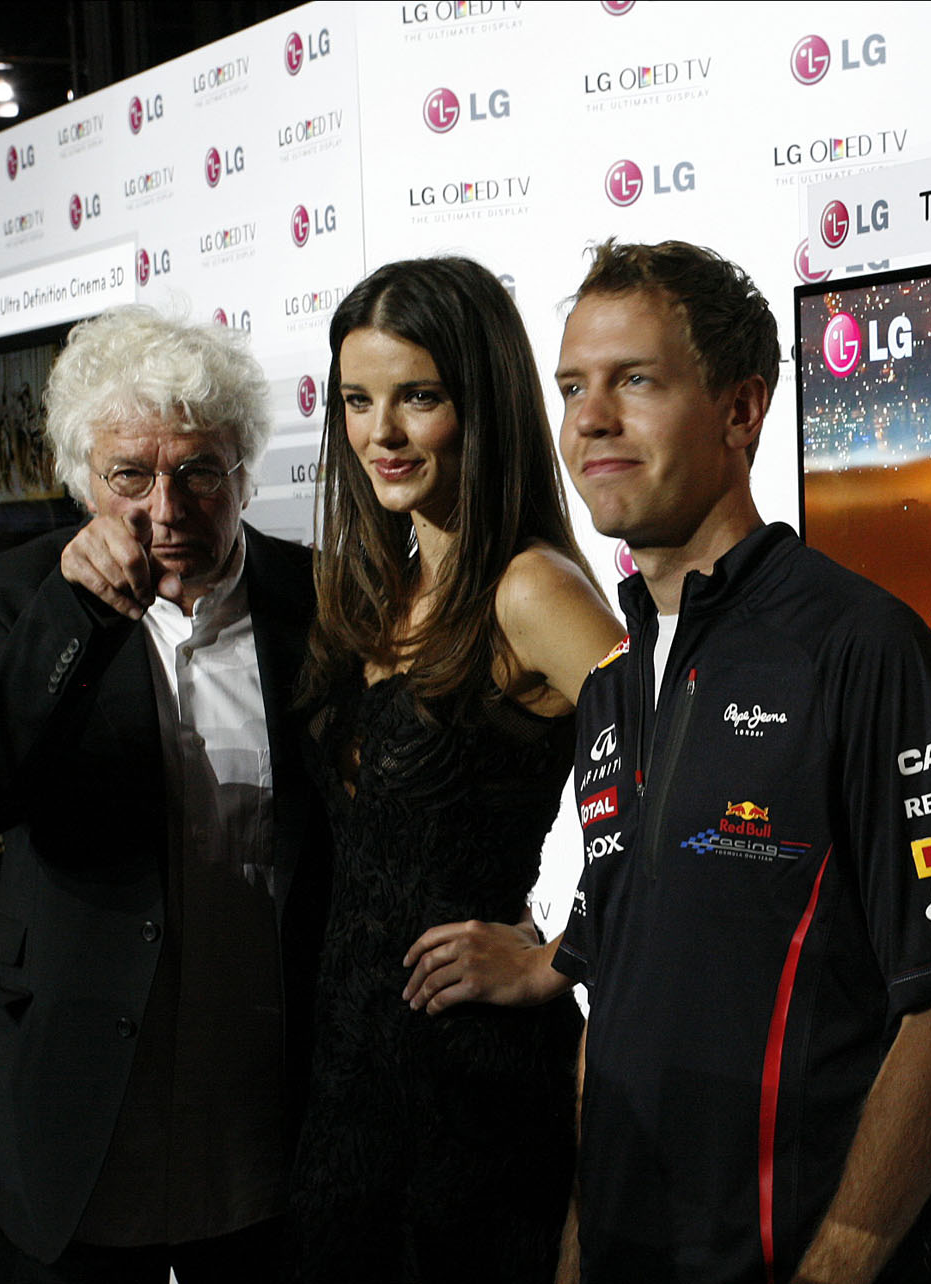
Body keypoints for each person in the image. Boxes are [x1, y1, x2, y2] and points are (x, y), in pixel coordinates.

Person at [542, 239, 931, 1283]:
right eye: (572, 385)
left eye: (635, 381)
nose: (590, 418)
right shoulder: (613, 686)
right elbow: (610, 1004)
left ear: (741, 411)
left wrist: (833, 1267)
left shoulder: (858, 647)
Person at [0, 306, 329, 1283]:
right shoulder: (11, 602)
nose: (166, 508)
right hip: (73, 1116)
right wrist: (72, 616)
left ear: (243, 468)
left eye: (198, 470)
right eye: (130, 477)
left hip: (265, 1117)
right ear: (84, 480)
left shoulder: (323, 603)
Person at [286, 255, 622, 1284]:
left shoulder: (531, 589)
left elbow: (691, 793)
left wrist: (558, 956)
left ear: (477, 402)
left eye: (416, 397)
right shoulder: (376, 585)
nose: (380, 434)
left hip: (470, 1096)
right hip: (348, 1085)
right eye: (357, 401)